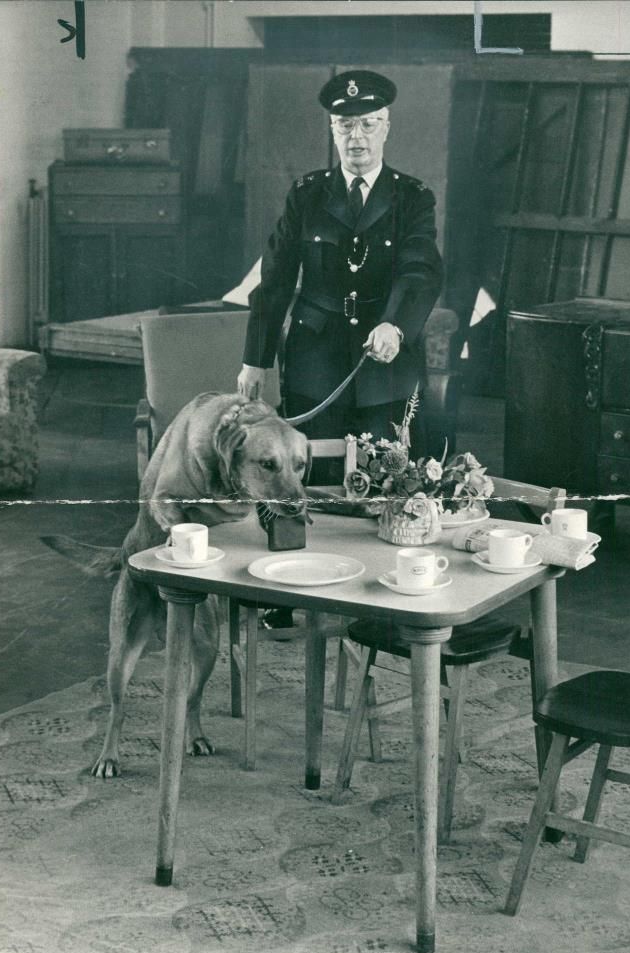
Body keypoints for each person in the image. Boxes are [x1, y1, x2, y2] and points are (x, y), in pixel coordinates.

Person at [237, 70, 443, 628]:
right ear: (332, 130)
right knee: (299, 481)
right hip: (315, 358)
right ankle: (288, 594)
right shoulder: (308, 194)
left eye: (369, 125)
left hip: (384, 360)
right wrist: (257, 357)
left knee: (382, 482)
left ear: (387, 128)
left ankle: (373, 605)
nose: (357, 138)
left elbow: (421, 268)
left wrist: (396, 325)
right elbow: (275, 277)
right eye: (345, 126)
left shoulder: (412, 197)